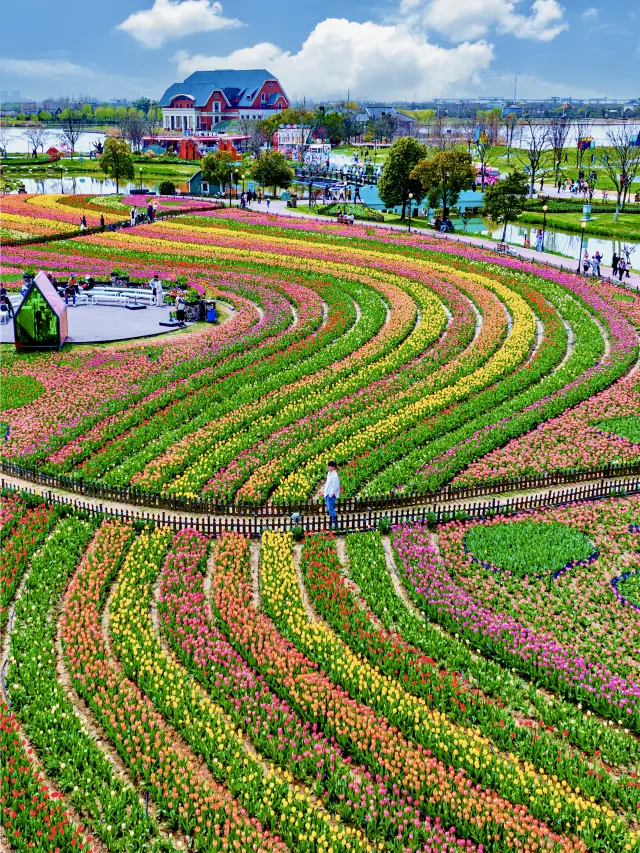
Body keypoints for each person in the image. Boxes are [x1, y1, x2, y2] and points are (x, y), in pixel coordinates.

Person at [323, 460, 340, 530]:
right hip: (327, 494)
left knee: (331, 509)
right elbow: (327, 484)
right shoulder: (329, 473)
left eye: (329, 466)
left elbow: (335, 486)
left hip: (331, 495)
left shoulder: (335, 476)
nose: (328, 467)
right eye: (328, 465)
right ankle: (333, 522)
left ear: (333, 467)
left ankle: (335, 524)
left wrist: (330, 495)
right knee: (330, 509)